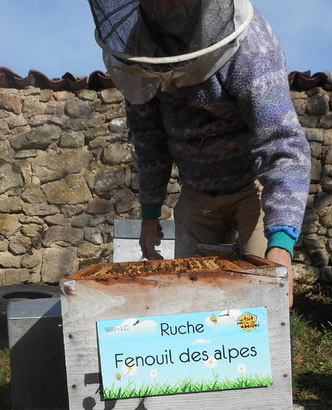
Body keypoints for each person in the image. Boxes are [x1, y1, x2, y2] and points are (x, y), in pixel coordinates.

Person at [89, 0, 311, 305]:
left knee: (263, 298)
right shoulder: (138, 54)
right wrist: (150, 215)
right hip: (196, 191)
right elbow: (149, 142)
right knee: (192, 301)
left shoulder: (252, 47)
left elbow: (282, 142)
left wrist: (281, 243)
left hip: (252, 186)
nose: (164, 8)